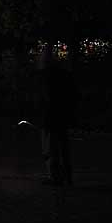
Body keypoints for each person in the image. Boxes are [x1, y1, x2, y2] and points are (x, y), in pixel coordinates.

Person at [41, 58, 75, 186]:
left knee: (51, 148)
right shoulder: (66, 76)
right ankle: (67, 176)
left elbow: (46, 98)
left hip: (51, 118)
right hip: (62, 118)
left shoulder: (48, 77)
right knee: (63, 148)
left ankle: (55, 177)